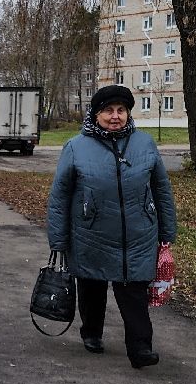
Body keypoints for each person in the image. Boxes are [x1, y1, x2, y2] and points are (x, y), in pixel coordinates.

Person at [46, 84, 177, 368]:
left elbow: (161, 189)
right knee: (92, 289)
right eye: (108, 110)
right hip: (90, 233)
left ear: (129, 113)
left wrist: (167, 232)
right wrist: (58, 238)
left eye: (121, 110)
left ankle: (140, 349)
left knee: (133, 293)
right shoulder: (76, 147)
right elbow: (60, 195)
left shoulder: (145, 144)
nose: (115, 116)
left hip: (138, 234)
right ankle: (91, 332)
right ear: (95, 115)